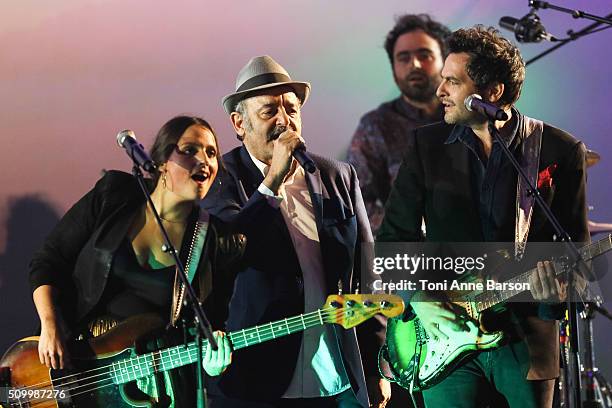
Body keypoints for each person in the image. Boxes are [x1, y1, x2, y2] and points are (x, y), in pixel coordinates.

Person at [378, 26, 589, 408]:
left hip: (528, 339)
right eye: (442, 80)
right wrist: (419, 299)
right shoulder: (426, 146)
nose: (439, 91)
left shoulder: (560, 149)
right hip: (443, 337)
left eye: (452, 82)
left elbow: (578, 258)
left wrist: (555, 291)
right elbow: (393, 240)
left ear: (492, 93)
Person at [202, 55, 388, 407]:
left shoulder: (337, 176)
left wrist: (375, 363)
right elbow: (234, 249)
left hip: (336, 370)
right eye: (269, 111)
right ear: (238, 124)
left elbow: (368, 272)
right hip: (260, 375)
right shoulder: (221, 178)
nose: (284, 120)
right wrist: (272, 179)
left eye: (292, 109)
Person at [29, 115, 243, 407]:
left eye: (211, 153)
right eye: (190, 150)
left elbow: (211, 325)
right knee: (13, 398)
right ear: (162, 161)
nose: (204, 160)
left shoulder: (217, 240)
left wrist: (213, 362)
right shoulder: (114, 195)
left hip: (150, 389)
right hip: (73, 366)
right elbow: (49, 261)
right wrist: (50, 325)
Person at [347, 14, 450, 234]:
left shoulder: (470, 116)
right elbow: (358, 201)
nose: (414, 64)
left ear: (445, 60)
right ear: (393, 68)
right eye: (403, 58)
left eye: (425, 55)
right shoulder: (375, 125)